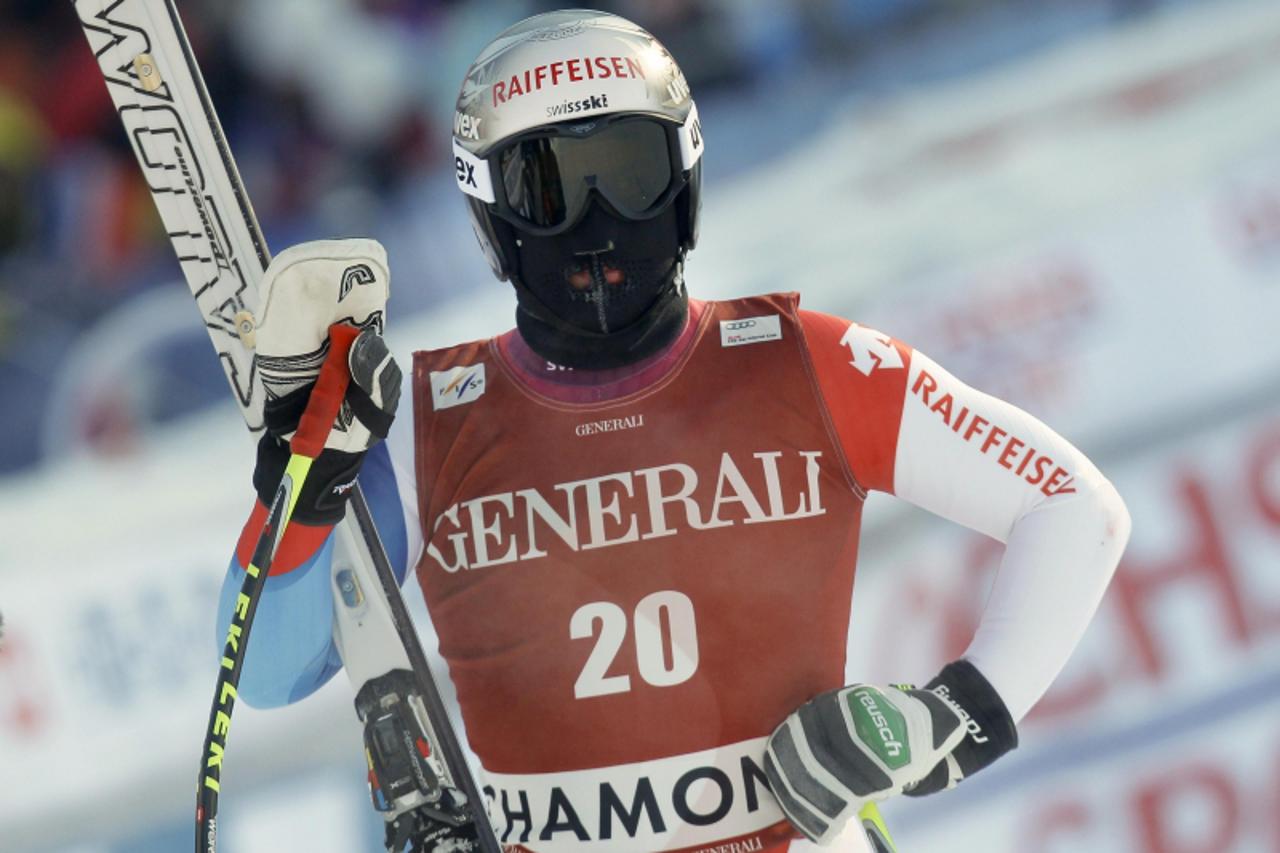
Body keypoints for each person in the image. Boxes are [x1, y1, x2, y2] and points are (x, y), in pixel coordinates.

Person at [219, 10, 1131, 852]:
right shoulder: (423, 418)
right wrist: (301, 487)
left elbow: (1073, 506)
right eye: (548, 188)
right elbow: (260, 671)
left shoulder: (804, 364)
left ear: (684, 177)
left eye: (627, 171)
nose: (597, 224)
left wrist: (951, 721)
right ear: (491, 216)